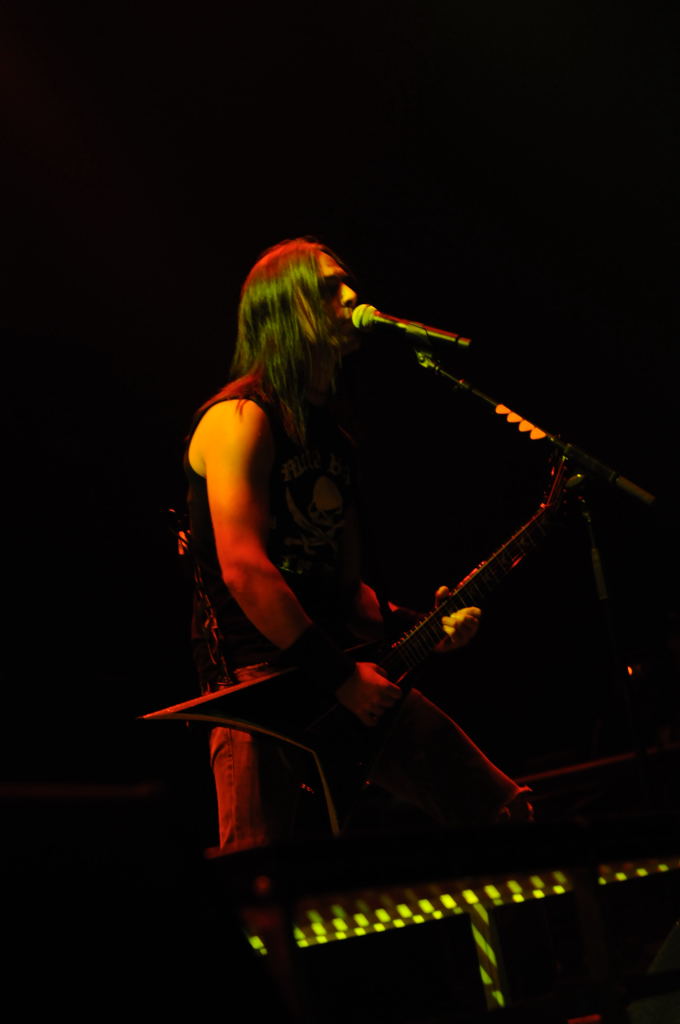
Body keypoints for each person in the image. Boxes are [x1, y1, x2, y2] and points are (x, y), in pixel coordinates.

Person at [184, 236, 531, 853]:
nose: (350, 296)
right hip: (259, 689)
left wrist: (422, 626)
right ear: (283, 310)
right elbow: (245, 570)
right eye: (328, 288)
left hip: (343, 666)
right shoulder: (239, 418)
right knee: (262, 881)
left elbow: (344, 589)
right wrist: (341, 676)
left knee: (503, 812)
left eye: (347, 283)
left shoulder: (334, 436)